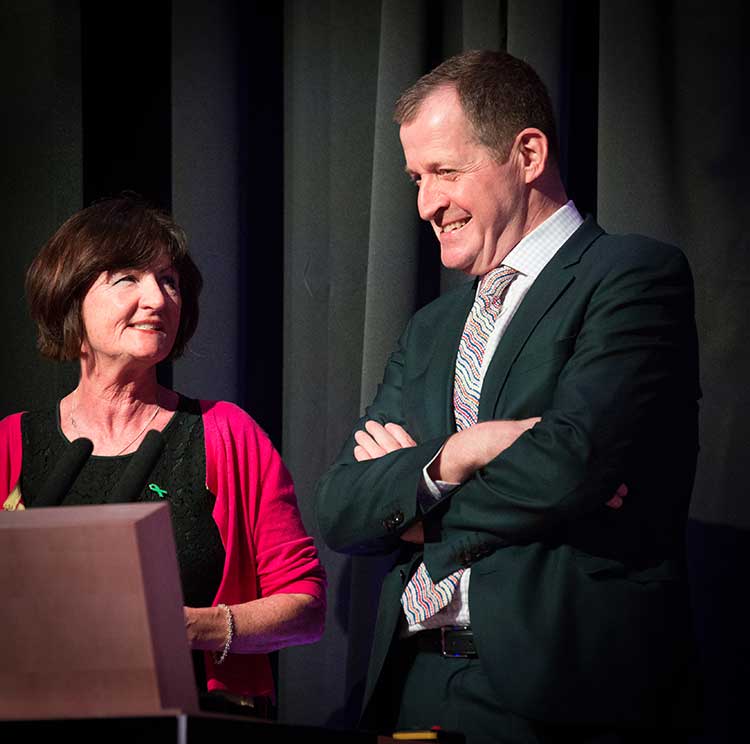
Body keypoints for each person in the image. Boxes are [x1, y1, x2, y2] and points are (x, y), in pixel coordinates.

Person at [315, 50, 701, 743]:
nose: (425, 204)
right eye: (416, 179)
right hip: (411, 683)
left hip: (558, 694)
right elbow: (343, 505)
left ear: (527, 155)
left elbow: (570, 467)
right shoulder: (432, 328)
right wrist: (460, 454)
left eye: (445, 172)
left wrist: (416, 508)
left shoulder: (631, 276)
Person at [0, 194, 326, 717]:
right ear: (69, 297)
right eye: (127, 278)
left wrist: (193, 628)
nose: (156, 298)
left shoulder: (226, 434)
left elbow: (305, 607)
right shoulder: (10, 444)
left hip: (200, 720)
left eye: (169, 281)